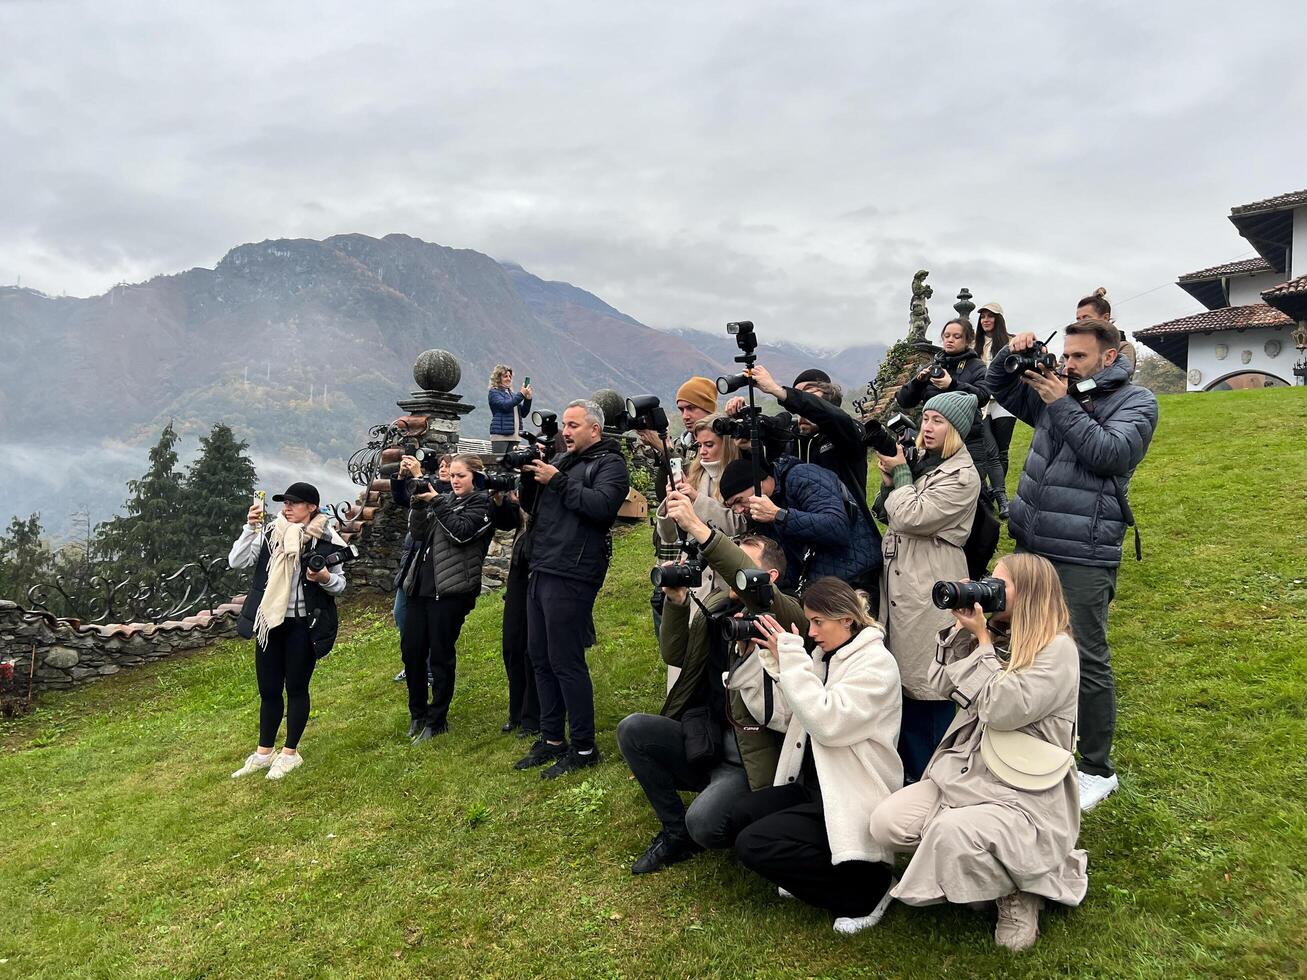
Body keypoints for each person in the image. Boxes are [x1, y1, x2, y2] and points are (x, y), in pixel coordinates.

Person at [869, 553, 1086, 953]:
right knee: (888, 823)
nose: (991, 590)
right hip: (968, 770)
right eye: (990, 581)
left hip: (1022, 789)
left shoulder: (1058, 651)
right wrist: (963, 632)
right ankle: (983, 867)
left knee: (949, 832)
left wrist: (984, 642)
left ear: (1032, 593)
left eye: (1001, 585)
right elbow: (940, 683)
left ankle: (1023, 890)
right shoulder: (998, 635)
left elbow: (1002, 709)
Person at [986, 318, 1158, 810]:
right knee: (1022, 644)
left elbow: (1110, 454)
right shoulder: (1055, 391)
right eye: (1065, 354)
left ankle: (1096, 768)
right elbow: (995, 386)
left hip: (1083, 549)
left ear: (1109, 357)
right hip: (1032, 542)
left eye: (1078, 357)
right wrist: (1007, 352)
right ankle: (1033, 738)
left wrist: (1061, 401)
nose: (1067, 363)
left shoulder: (1137, 402)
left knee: (1085, 655)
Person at [617, 497, 788, 874]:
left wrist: (698, 526)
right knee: (634, 730)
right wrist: (677, 604)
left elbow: (745, 577)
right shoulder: (716, 606)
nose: (727, 571)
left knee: (706, 825)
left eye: (739, 563)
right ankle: (675, 834)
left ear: (769, 578)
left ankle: (727, 816)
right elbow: (676, 655)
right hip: (706, 740)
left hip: (747, 761)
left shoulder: (782, 616)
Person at [723, 578, 903, 936]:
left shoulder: (877, 665)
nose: (812, 631)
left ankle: (868, 891)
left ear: (847, 620)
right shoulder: (826, 657)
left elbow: (827, 722)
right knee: (739, 818)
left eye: (819, 622)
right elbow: (798, 715)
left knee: (753, 845)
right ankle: (825, 869)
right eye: (809, 622)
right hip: (819, 787)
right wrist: (780, 664)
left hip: (853, 793)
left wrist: (793, 659)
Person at [513, 399, 630, 779]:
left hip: (574, 571)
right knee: (540, 656)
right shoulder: (563, 461)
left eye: (574, 425)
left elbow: (601, 507)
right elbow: (533, 505)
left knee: (565, 661)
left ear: (594, 429)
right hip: (543, 564)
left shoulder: (610, 463)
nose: (566, 430)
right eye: (565, 423)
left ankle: (583, 746)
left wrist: (557, 480)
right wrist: (530, 475)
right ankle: (551, 739)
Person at [873, 391, 981, 784]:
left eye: (937, 421)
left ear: (956, 429)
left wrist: (901, 476)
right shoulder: (929, 466)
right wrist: (891, 481)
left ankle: (934, 780)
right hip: (906, 579)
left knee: (930, 683)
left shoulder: (962, 475)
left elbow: (911, 515)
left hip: (929, 584)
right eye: (926, 419)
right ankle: (908, 776)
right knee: (904, 684)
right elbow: (887, 510)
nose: (927, 427)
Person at [229, 482, 347, 781]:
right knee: (268, 691)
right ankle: (264, 752)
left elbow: (340, 585)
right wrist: (250, 528)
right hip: (270, 623)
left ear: (312, 507)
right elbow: (237, 561)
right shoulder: (270, 533)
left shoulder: (328, 539)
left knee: (296, 688)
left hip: (304, 625)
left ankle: (291, 753)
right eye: (285, 503)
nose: (287, 508)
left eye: (295, 503)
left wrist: (323, 578)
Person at [396, 454, 495, 742]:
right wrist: (418, 504)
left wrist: (437, 501)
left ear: (475, 477)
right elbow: (418, 532)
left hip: (450, 591)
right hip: (420, 586)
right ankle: (418, 714)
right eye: (451, 475)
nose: (454, 480)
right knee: (412, 653)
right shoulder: (445, 500)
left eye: (460, 475)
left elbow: (462, 533)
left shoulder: (482, 504)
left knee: (440, 656)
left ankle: (437, 719)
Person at [653, 414, 745, 689]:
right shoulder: (694, 473)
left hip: (724, 581)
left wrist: (696, 500)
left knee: (719, 661)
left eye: (710, 445)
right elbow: (669, 536)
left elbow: (739, 524)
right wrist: (670, 505)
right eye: (699, 444)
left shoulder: (738, 474)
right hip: (695, 582)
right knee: (686, 656)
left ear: (726, 444)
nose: (703, 451)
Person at [640, 376, 719, 636]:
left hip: (699, 540)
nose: (685, 415)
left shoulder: (719, 441)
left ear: (709, 408)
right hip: (672, 537)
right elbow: (668, 487)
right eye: (681, 408)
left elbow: (688, 483)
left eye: (691, 408)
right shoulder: (683, 442)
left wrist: (665, 451)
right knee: (662, 597)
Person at [391, 453, 451, 683]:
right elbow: (400, 498)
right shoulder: (427, 484)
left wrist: (419, 475)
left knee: (427, 622)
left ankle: (427, 668)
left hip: (433, 564)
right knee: (401, 614)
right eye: (442, 466)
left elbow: (440, 502)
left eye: (450, 467)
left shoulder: (450, 493)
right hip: (411, 559)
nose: (444, 470)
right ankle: (412, 662)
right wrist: (401, 475)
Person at [490, 485, 539, 738]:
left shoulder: (551, 479)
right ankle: (516, 711)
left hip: (539, 574)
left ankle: (533, 716)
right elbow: (508, 521)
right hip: (518, 578)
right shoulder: (527, 480)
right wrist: (499, 498)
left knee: (533, 651)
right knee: (512, 647)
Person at [974, 303, 1015, 519]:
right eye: (983, 317)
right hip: (982, 403)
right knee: (990, 451)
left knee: (1002, 451)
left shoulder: (1009, 341)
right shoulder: (975, 344)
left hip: (1004, 401)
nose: (986, 320)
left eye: (990, 316)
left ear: (998, 319)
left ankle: (993, 490)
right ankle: (1001, 498)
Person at [1076, 288, 1138, 374]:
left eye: (1086, 318)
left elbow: (1119, 375)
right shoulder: (1073, 349)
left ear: (1105, 318)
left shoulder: (1123, 347)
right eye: (1078, 319)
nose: (1081, 324)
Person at [487, 364, 533, 455]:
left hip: (515, 436)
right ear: (498, 378)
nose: (508, 378)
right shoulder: (494, 393)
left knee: (510, 465)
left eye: (510, 376)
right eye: (505, 376)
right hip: (501, 436)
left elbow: (523, 413)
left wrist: (528, 399)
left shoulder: (512, 394)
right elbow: (505, 406)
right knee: (499, 464)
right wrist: (521, 395)